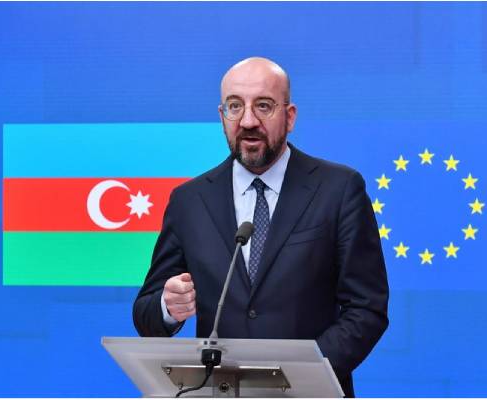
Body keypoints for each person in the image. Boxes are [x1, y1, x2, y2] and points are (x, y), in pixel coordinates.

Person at [133, 57, 389, 397]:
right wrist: (168, 307)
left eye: (263, 106)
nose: (248, 121)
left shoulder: (339, 190)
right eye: (235, 106)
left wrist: (300, 375)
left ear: (290, 116)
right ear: (222, 116)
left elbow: (367, 308)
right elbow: (146, 314)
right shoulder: (189, 201)